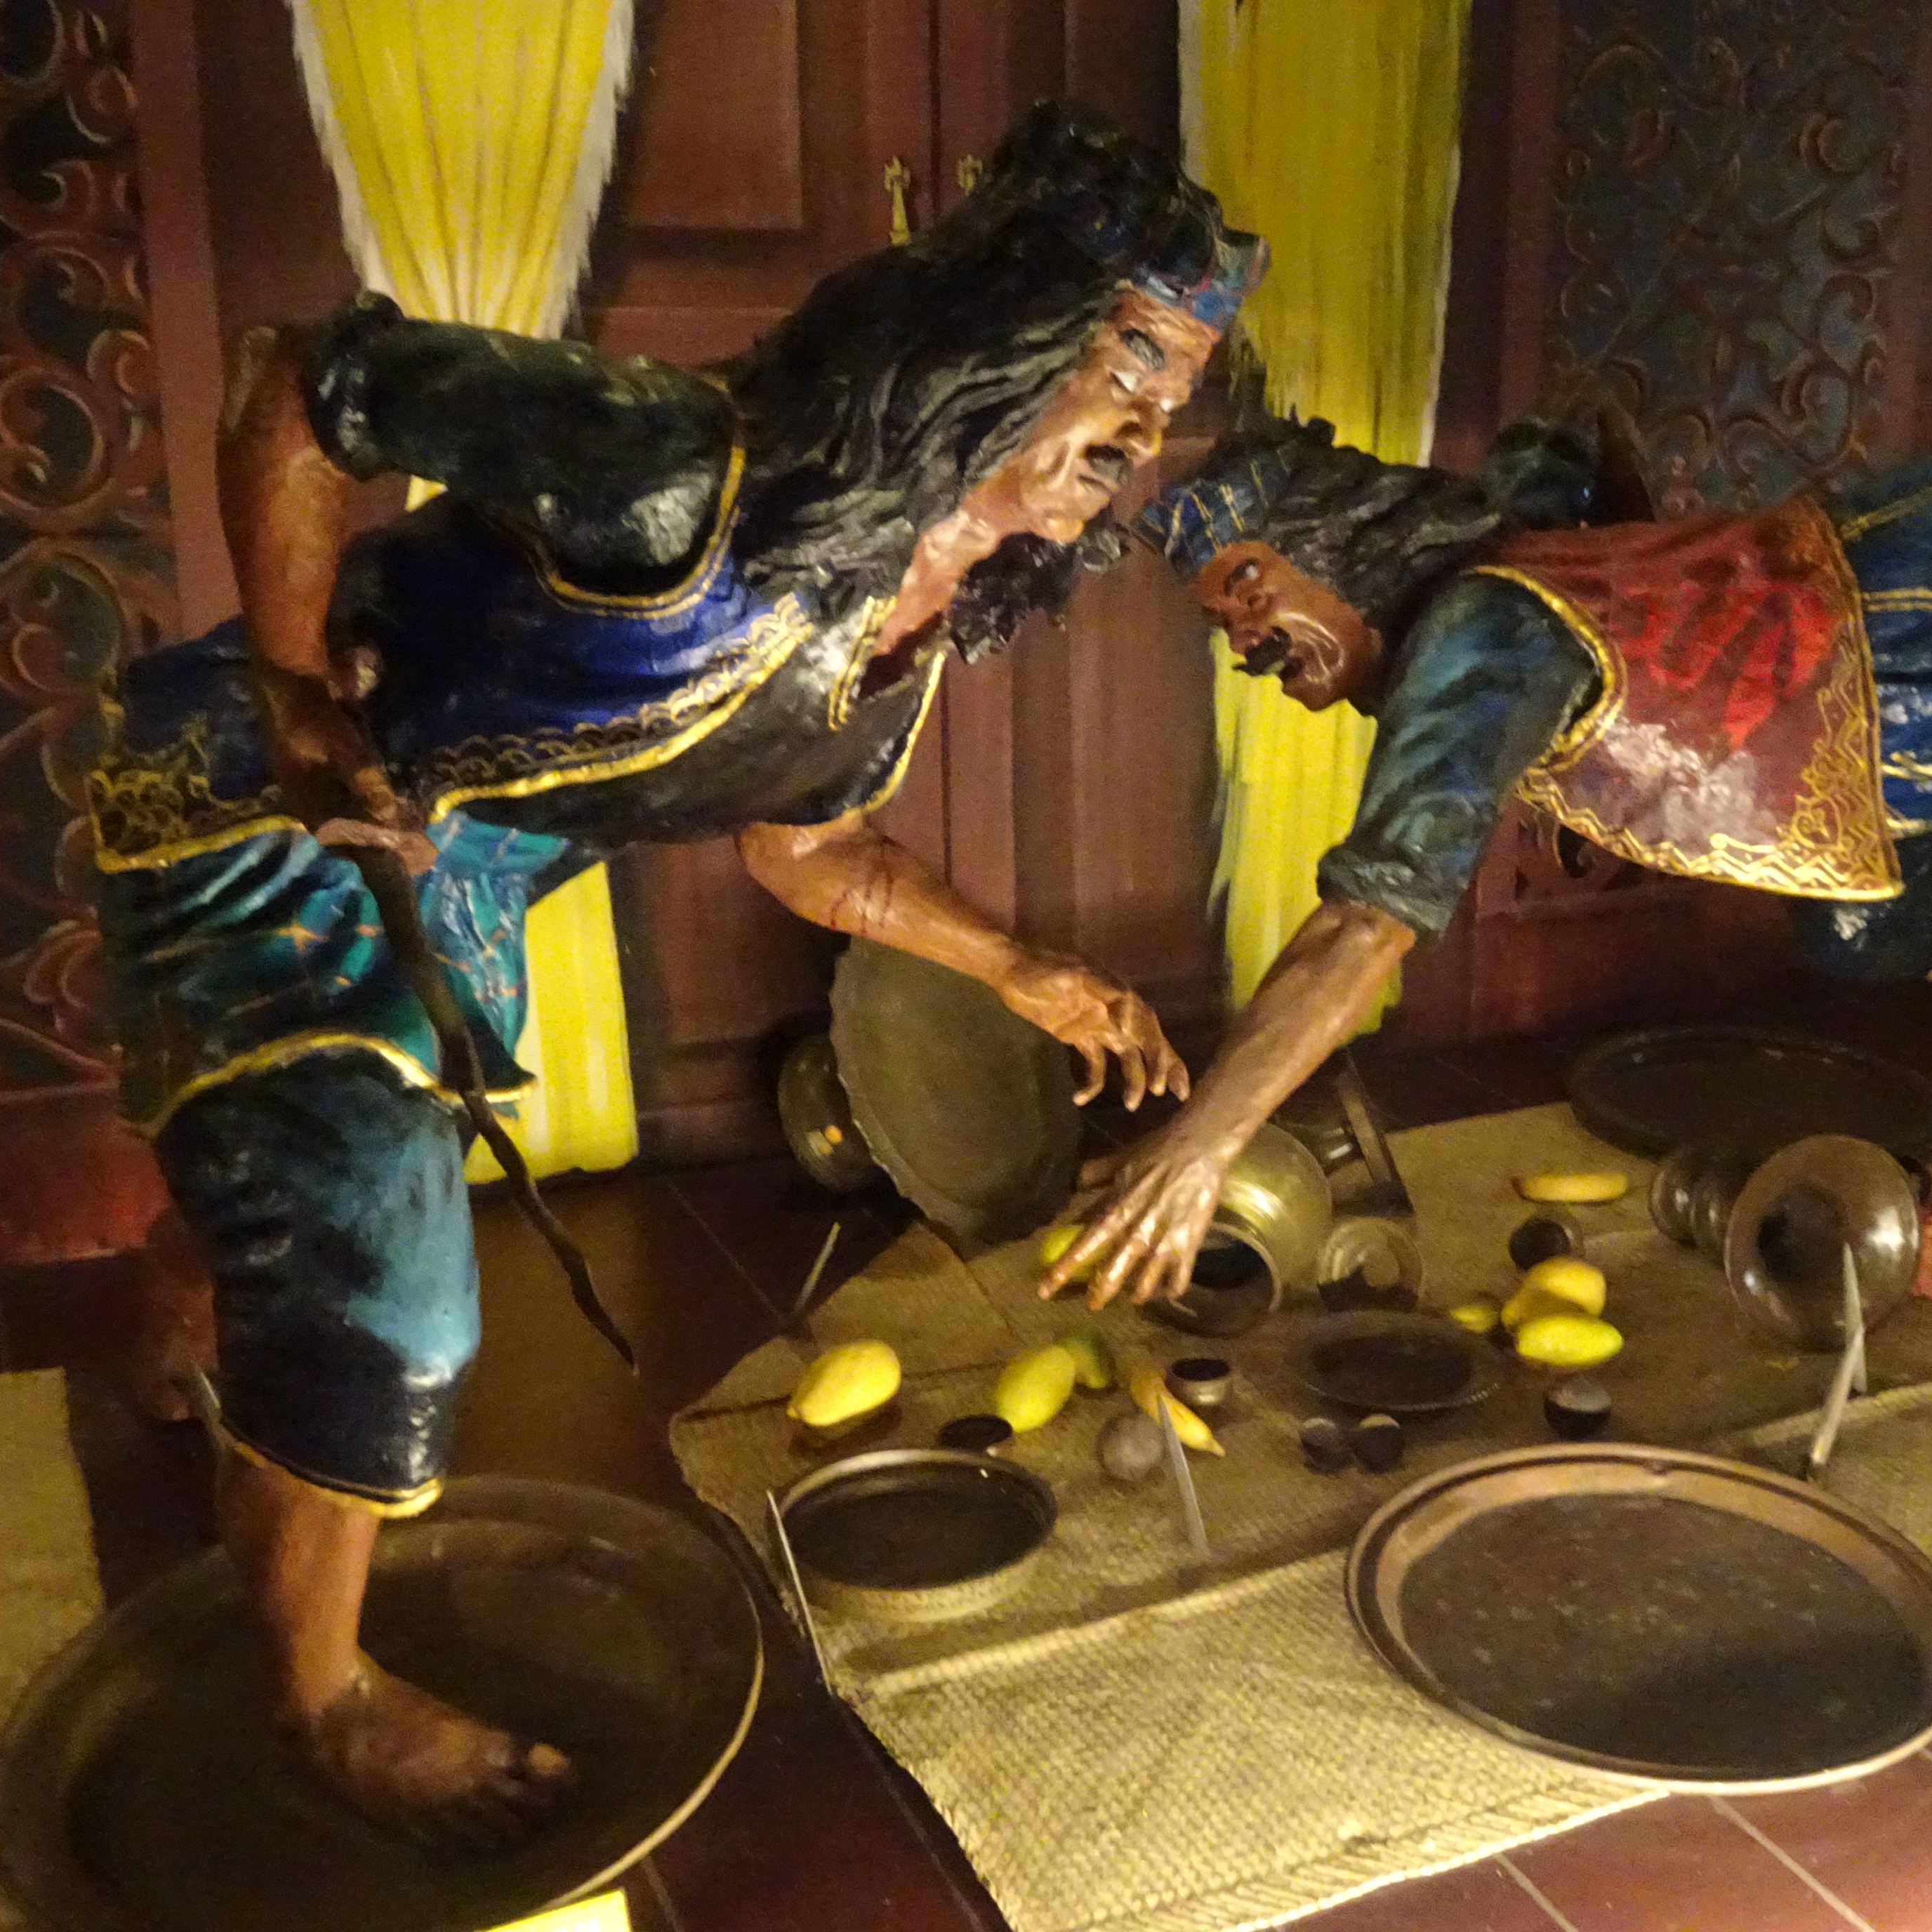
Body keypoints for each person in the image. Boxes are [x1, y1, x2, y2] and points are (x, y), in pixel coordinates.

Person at [88, 102, 1255, 1845]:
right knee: (396, 1288)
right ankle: (322, 1697)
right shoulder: (670, 476)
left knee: (320, 1171)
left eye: (1179, 394)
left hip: (462, 855)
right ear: (995, 334)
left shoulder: (904, 626)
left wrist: (1029, 970)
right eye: (1132, 364)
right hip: (266, 808)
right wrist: (294, 692)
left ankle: (197, 1307)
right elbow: (301, 383)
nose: (1150, 430)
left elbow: (807, 850)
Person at [1044, 416, 1932, 1311]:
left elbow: (1366, 923)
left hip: (1916, 606)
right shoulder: (1486, 578)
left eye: (1250, 586)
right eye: (1226, 621)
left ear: (1339, 542)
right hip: (1825, 743)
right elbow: (1553, 444)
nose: (1247, 638)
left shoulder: (1484, 630)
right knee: (1862, 932)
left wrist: (1201, 1144)